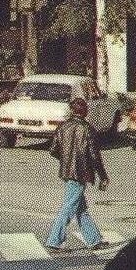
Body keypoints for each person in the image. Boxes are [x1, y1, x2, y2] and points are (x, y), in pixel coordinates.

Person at [45, 98, 110, 253]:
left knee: (80, 207)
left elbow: (53, 150)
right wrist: (103, 176)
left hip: (68, 172)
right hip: (80, 173)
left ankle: (94, 240)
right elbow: (94, 156)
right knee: (68, 207)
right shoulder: (88, 129)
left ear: (71, 110)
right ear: (85, 111)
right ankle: (54, 241)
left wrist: (66, 160)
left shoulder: (62, 127)